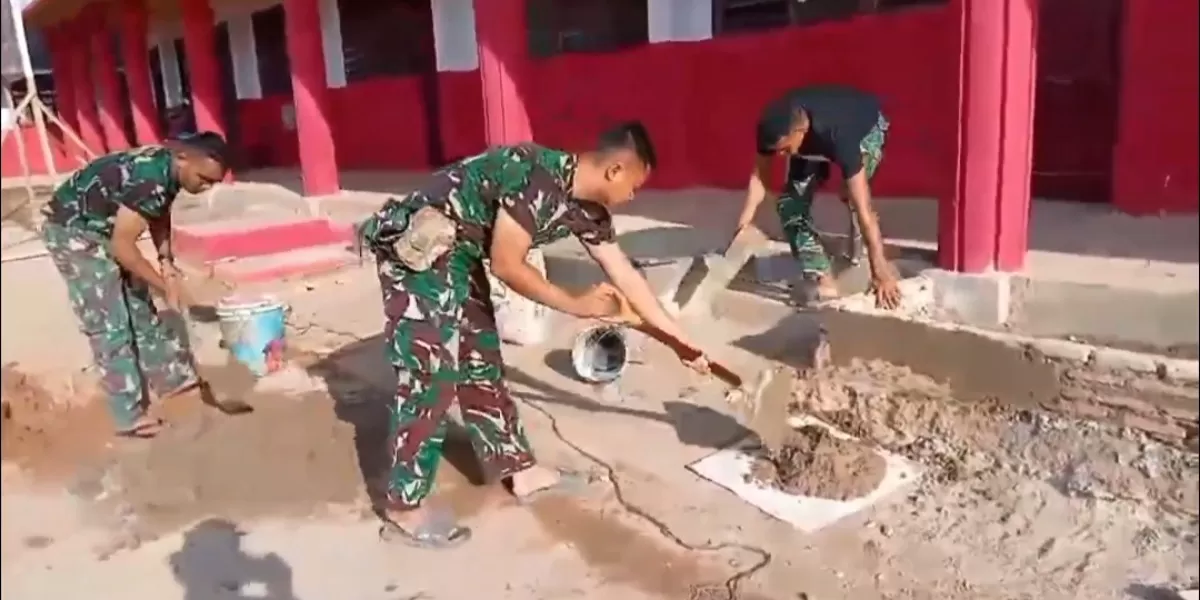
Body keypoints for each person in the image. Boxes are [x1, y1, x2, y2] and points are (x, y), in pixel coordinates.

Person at [358, 122, 708, 549]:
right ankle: (403, 507)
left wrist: (683, 344)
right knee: (433, 372)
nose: (634, 197)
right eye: (635, 186)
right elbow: (507, 264)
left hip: (461, 252)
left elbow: (629, 280)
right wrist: (575, 304)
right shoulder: (535, 175)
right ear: (616, 170)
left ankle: (519, 470)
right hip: (420, 245)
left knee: (480, 361)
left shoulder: (587, 211)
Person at [39, 132, 230, 438]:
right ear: (183, 158)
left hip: (104, 229)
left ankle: (173, 381)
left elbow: (159, 211)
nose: (206, 187)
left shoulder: (168, 171)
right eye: (204, 178)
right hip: (73, 231)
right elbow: (123, 248)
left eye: (214, 183)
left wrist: (165, 260)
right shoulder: (149, 178)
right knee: (110, 323)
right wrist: (163, 286)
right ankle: (127, 415)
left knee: (141, 310)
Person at [734, 84, 901, 309]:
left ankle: (870, 252)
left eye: (785, 149)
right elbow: (759, 177)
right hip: (812, 144)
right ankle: (823, 278)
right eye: (777, 151)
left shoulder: (839, 136)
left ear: (800, 130)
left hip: (866, 128)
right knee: (790, 206)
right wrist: (744, 223)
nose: (781, 156)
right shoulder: (771, 130)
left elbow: (864, 208)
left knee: (852, 196)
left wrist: (880, 271)